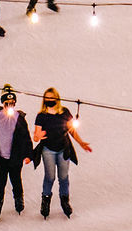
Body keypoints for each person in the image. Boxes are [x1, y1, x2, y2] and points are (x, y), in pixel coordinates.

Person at [32, 85, 93, 218]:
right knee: (50, 177)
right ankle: (45, 202)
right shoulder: (41, 115)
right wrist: (37, 136)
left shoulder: (64, 112)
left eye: (52, 98)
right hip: (48, 150)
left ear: (57, 99)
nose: (49, 100)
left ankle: (65, 201)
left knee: (64, 178)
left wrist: (81, 143)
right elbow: (36, 136)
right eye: (47, 98)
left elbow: (71, 130)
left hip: (63, 149)